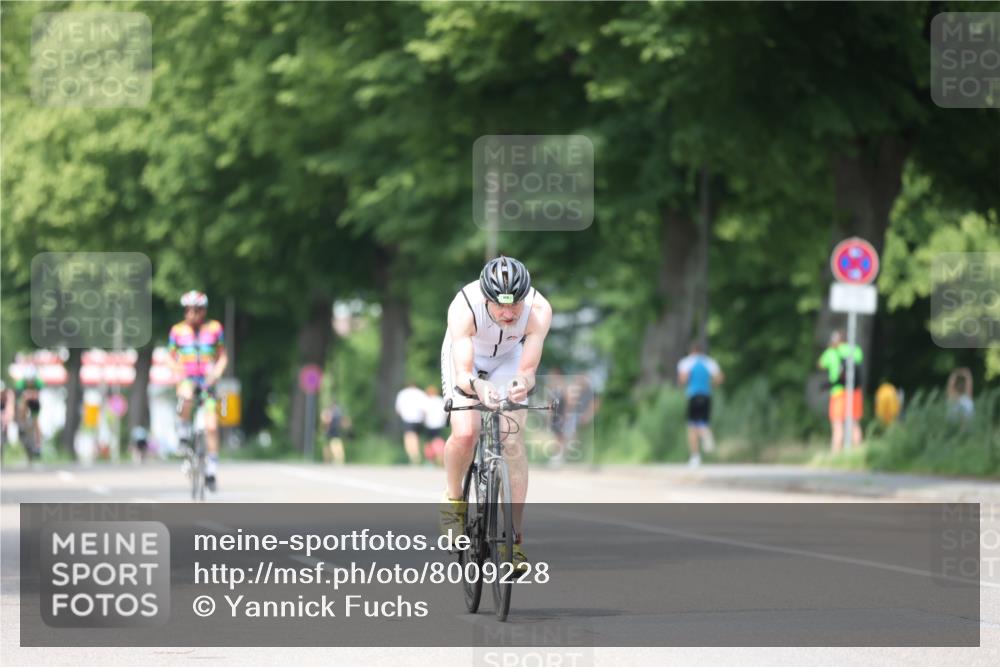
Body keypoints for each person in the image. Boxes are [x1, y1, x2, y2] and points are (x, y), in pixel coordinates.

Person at [439, 255, 552, 573]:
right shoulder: (464, 307)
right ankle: (453, 502)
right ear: (486, 298)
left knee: (513, 441)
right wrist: (476, 385)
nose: (508, 313)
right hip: (469, 361)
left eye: (515, 305)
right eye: (500, 306)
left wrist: (521, 382)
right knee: (465, 431)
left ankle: (514, 542)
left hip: (509, 359)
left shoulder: (539, 311)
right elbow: (462, 374)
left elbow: (528, 369)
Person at [169, 290, 228, 491]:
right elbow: (170, 355)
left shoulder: (214, 328)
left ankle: (211, 470)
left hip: (207, 382)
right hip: (187, 379)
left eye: (195, 310)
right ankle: (184, 434)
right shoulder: (177, 330)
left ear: (203, 311)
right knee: (185, 397)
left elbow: (222, 356)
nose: (191, 314)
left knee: (211, 427)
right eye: (187, 310)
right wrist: (176, 369)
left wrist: (217, 372)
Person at [677, 341, 724, 467]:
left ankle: (695, 457)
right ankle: (705, 432)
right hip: (706, 395)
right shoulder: (710, 362)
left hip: (693, 395)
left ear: (691, 351)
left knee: (692, 427)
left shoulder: (686, 362)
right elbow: (719, 378)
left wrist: (686, 383)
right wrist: (711, 385)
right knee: (703, 422)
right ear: (702, 351)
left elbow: (683, 379)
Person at [818, 329, 863, 452]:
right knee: (854, 423)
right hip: (854, 391)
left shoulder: (831, 351)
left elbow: (821, 364)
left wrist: (830, 348)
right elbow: (859, 360)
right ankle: (858, 453)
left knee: (837, 425)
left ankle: (836, 454)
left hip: (838, 392)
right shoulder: (855, 349)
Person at [14, 365, 44, 458]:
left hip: (34, 403)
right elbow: (20, 398)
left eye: (32, 381)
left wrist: (29, 395)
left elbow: (37, 396)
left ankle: (38, 445)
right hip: (24, 403)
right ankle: (22, 423)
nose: (30, 383)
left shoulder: (39, 383)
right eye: (28, 381)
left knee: (36, 422)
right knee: (22, 404)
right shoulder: (20, 384)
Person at [395, 382, 426, 464]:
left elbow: (398, 409)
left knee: (409, 437)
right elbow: (424, 409)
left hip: (407, 418)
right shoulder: (420, 393)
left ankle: (413, 455)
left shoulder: (402, 393)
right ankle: (415, 454)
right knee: (415, 436)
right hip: (418, 419)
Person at [422, 385, 448, 466]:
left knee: (430, 442)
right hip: (440, 424)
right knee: (438, 440)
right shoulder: (440, 400)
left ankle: (430, 460)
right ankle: (441, 457)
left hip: (430, 424)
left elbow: (424, 413)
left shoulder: (427, 400)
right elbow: (445, 413)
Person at [320, 401, 347, 465]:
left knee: (333, 447)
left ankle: (332, 460)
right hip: (335, 433)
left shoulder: (330, 414)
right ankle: (334, 460)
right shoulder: (337, 414)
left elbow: (326, 423)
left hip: (332, 433)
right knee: (335, 447)